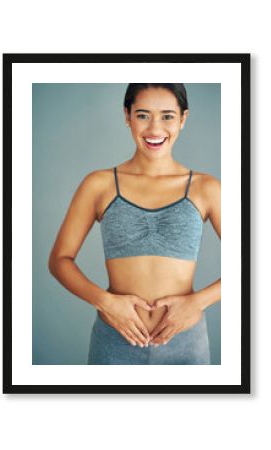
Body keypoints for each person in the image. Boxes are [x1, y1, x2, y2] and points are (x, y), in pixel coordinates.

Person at [48, 83, 221, 365]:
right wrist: (105, 301)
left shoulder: (206, 188)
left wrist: (198, 302)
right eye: (143, 115)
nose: (155, 129)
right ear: (127, 116)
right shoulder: (99, 184)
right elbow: (59, 260)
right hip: (115, 339)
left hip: (186, 343)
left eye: (167, 116)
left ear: (183, 119)